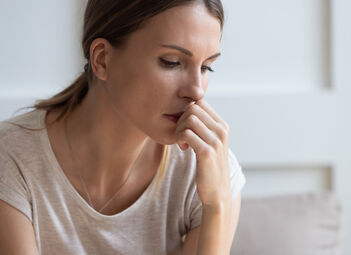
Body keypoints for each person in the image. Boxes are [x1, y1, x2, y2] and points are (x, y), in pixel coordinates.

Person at [0, 0, 246, 254]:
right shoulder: (12, 161)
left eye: (206, 67)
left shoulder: (210, 170)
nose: (196, 90)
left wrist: (217, 205)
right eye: (171, 62)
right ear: (102, 59)